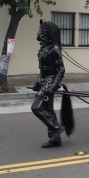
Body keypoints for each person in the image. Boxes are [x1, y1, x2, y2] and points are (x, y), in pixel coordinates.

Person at [31, 20, 65, 148]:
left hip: (50, 82)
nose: (39, 33)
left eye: (42, 30)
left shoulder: (54, 49)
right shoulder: (44, 48)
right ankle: (55, 139)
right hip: (43, 82)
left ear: (48, 32)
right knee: (48, 110)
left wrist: (53, 86)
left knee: (36, 108)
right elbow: (43, 70)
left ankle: (57, 127)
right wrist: (37, 82)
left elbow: (61, 70)